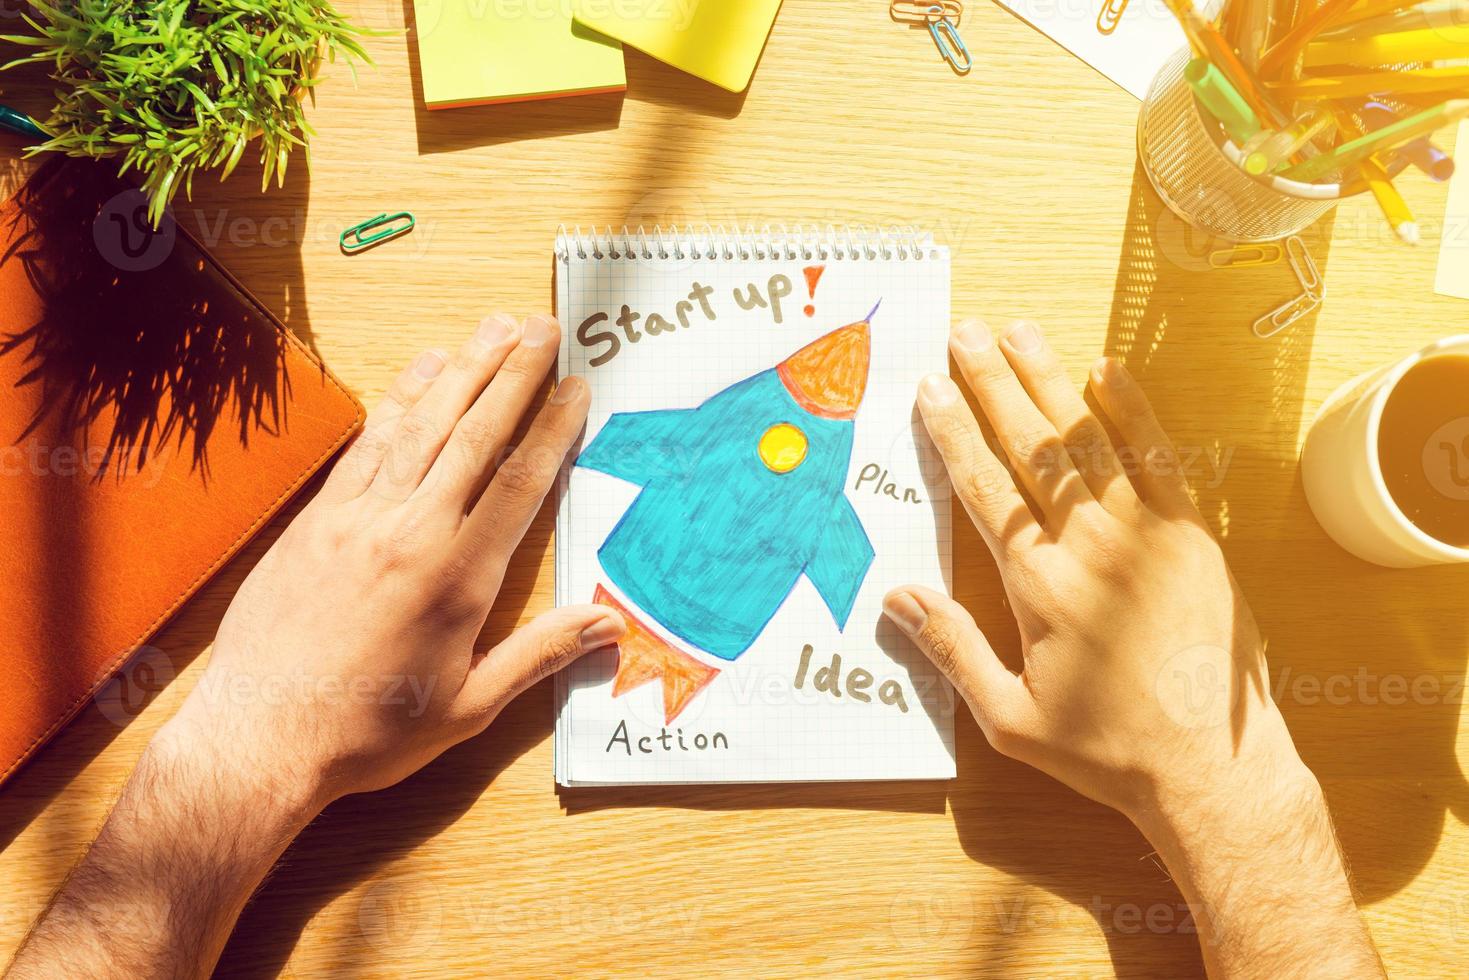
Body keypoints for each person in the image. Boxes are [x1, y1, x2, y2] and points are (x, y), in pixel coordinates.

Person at [4, 314, 1383, 979]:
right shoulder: (763, 424)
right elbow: (713, 474)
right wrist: (1229, 787)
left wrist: (248, 739)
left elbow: (808, 531)